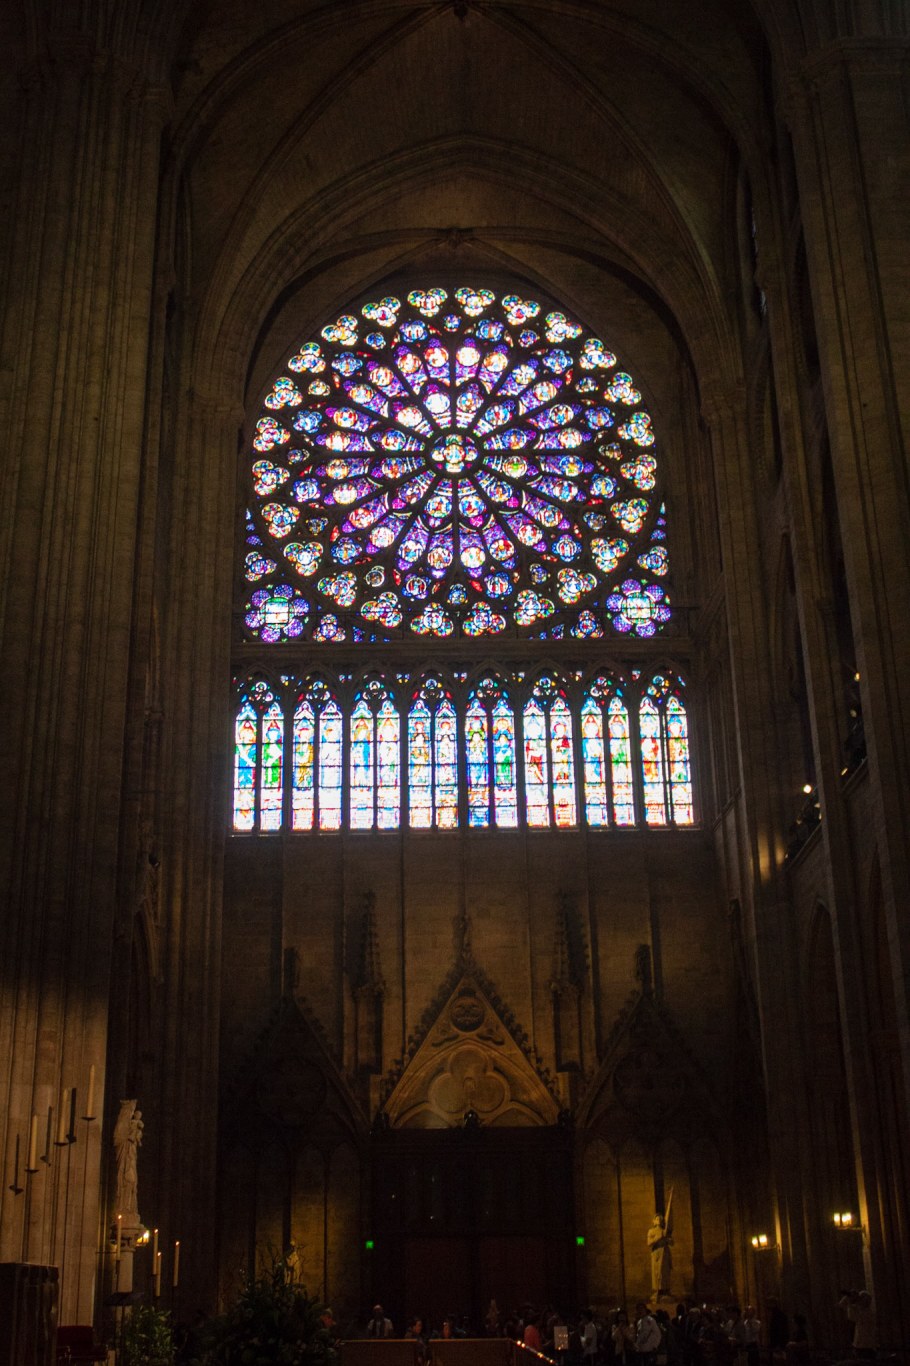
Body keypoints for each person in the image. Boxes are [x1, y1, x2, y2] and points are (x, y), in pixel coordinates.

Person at [838, 1290, 876, 1359]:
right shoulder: (861, 1310)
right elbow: (841, 1305)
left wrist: (849, 1303)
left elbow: (852, 1317)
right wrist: (848, 1297)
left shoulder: (868, 1313)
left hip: (865, 1345)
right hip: (861, 1345)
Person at [648, 1215, 673, 1299]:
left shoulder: (664, 1231)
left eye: (660, 1219)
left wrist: (668, 1239)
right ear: (654, 1221)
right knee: (657, 1272)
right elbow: (649, 1243)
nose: (659, 1220)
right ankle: (657, 1290)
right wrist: (658, 1237)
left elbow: (672, 1243)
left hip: (665, 1253)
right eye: (657, 1219)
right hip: (656, 1254)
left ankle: (666, 1290)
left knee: (665, 1272)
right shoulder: (651, 1231)